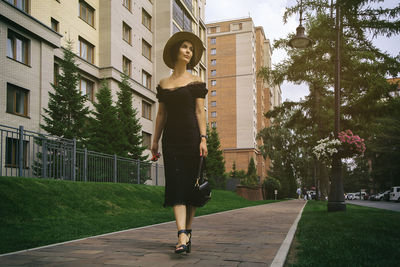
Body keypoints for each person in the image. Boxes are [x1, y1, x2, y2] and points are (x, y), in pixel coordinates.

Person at [151, 31, 208, 254]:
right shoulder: (164, 83)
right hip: (171, 140)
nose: (188, 51)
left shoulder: (196, 81)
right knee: (175, 185)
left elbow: (199, 112)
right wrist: (155, 141)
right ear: (176, 51)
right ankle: (181, 234)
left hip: (193, 139)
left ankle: (187, 232)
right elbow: (161, 115)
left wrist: (203, 138)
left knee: (192, 188)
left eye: (191, 49)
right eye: (185, 47)